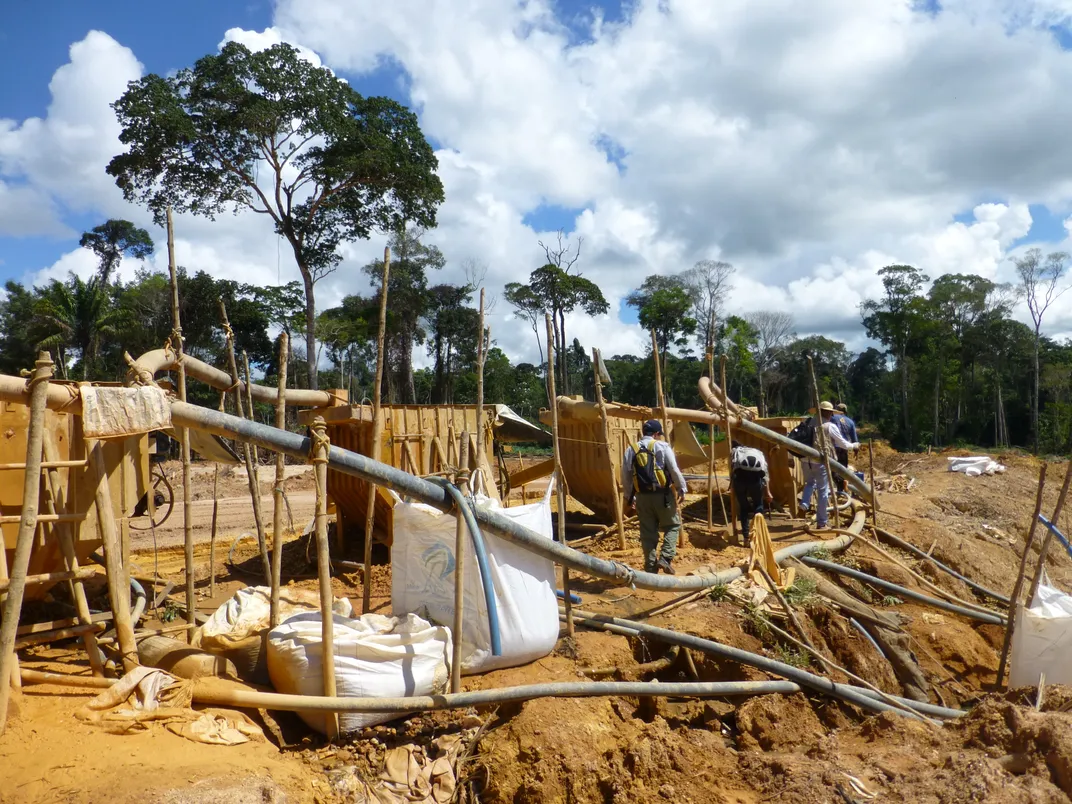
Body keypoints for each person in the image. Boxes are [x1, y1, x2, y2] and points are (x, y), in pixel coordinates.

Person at [622, 419, 687, 574]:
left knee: (647, 533)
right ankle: (665, 558)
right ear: (657, 434)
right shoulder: (662, 446)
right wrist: (681, 488)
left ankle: (650, 568)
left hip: (642, 497)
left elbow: (626, 475)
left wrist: (629, 497)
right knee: (672, 526)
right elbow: (674, 469)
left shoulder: (631, 449)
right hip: (662, 495)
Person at [800, 401, 860, 529]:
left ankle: (804, 503)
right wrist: (854, 445)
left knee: (809, 483)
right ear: (828, 412)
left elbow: (796, 438)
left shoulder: (808, 423)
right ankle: (822, 522)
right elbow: (843, 444)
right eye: (830, 412)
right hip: (820, 461)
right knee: (823, 491)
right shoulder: (829, 426)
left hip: (805, 460)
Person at [730, 440, 773, 547]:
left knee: (744, 508)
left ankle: (746, 538)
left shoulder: (735, 451)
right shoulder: (758, 453)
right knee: (758, 505)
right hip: (755, 480)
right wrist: (768, 492)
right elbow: (765, 474)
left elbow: (733, 469)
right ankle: (759, 536)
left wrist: (732, 486)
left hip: (740, 480)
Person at [830, 403, 859, 495]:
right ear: (846, 411)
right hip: (844, 448)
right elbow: (854, 439)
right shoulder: (850, 422)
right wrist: (855, 450)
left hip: (833, 448)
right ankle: (841, 492)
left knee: (833, 469)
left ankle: (841, 485)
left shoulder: (831, 419)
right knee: (842, 469)